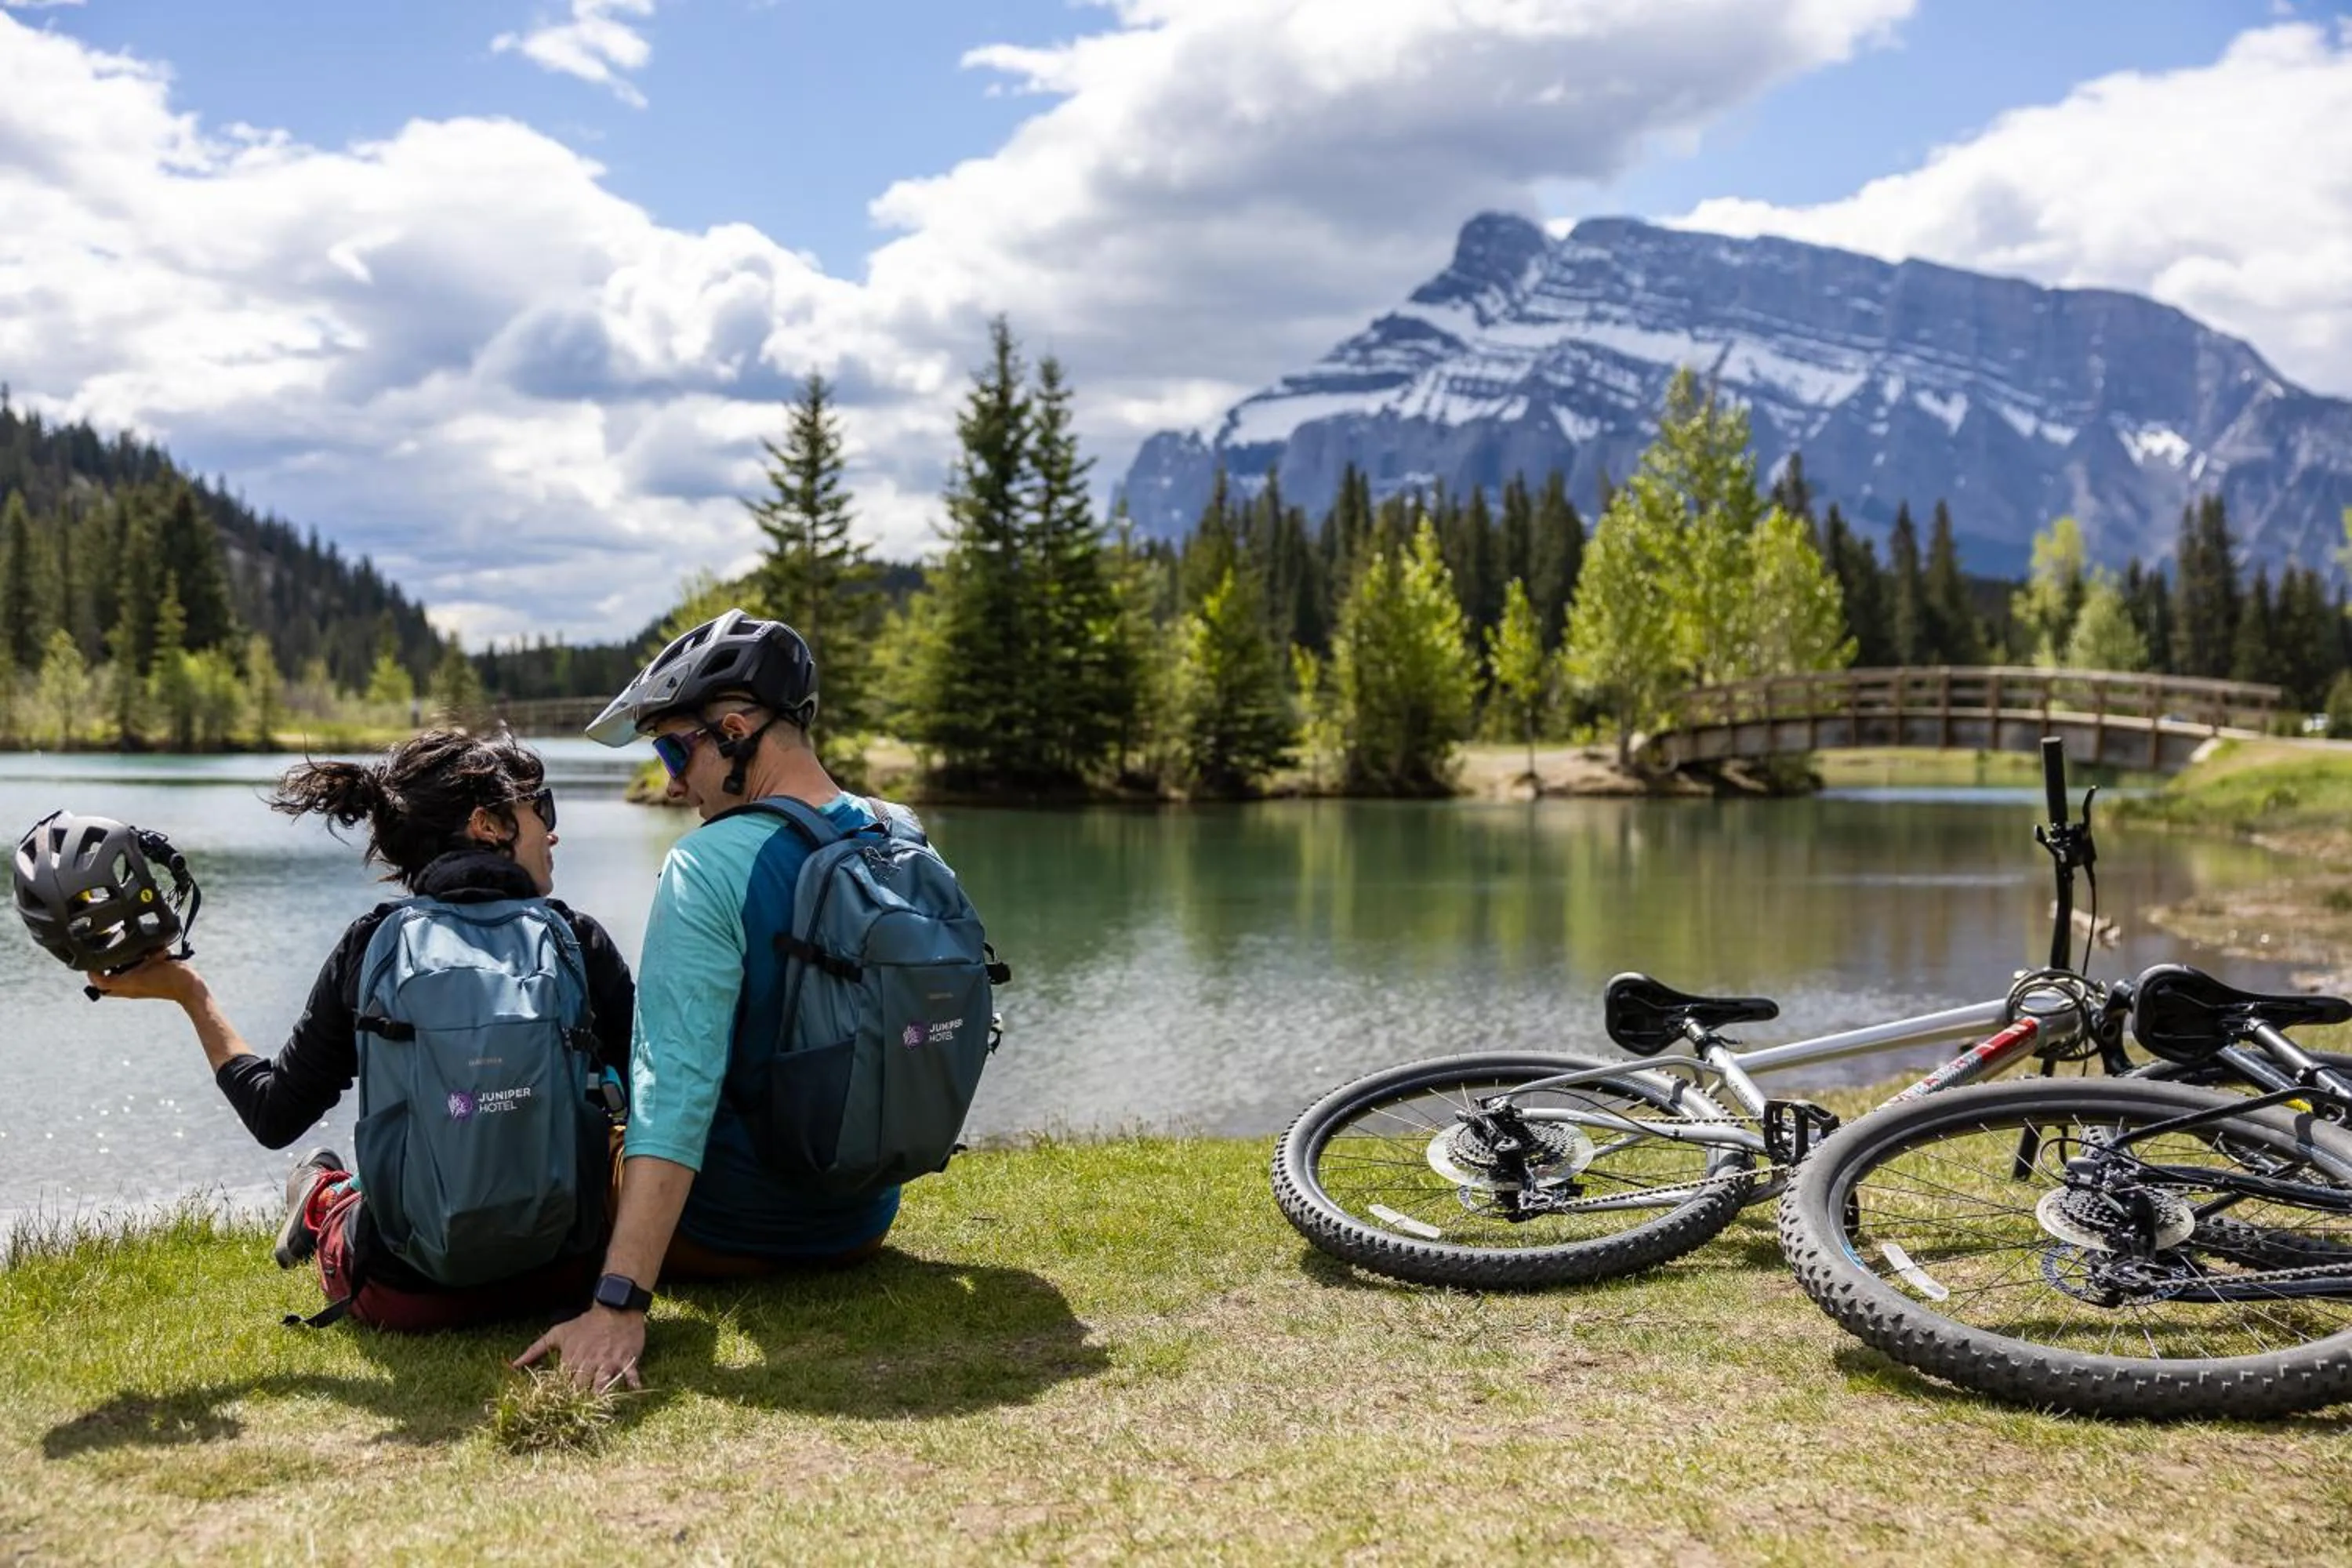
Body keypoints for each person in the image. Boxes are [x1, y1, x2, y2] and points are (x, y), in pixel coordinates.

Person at [87, 730, 637, 1330]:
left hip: (405, 1296)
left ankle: (323, 1194)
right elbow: (650, 1097)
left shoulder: (373, 944)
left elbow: (275, 1115)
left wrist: (191, 994)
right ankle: (335, 1186)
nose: (553, 832)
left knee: (341, 1185)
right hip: (560, 1280)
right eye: (542, 811)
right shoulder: (575, 941)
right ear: (489, 824)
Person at [518, 609, 895, 1391]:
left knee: (585, 1123)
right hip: (862, 1219)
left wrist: (619, 1301)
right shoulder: (899, 834)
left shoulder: (708, 863)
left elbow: (675, 1087)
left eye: (672, 748)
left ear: (734, 730)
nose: (671, 781)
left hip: (728, 1230)